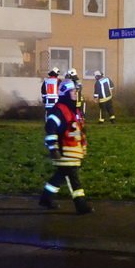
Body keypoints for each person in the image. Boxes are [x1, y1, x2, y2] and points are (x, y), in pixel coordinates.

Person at [40, 80, 93, 215]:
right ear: (65, 93)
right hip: (65, 152)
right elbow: (50, 128)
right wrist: (53, 148)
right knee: (74, 180)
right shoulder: (60, 110)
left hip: (72, 152)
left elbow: (77, 131)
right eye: (72, 91)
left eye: (75, 91)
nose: (75, 94)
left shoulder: (73, 110)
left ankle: (46, 198)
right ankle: (81, 206)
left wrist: (83, 148)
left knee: (60, 176)